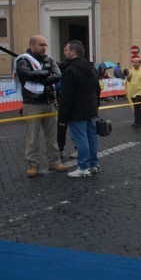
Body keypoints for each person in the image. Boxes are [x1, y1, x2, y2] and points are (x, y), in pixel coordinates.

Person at [15, 35, 68, 177]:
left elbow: (57, 75)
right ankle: (33, 164)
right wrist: (45, 73)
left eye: (45, 45)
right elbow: (27, 75)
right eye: (41, 45)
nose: (44, 47)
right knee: (32, 136)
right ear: (32, 45)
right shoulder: (23, 60)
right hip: (32, 103)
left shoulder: (49, 59)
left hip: (49, 101)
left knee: (52, 135)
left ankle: (54, 161)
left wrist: (42, 80)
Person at [58, 40, 101, 178]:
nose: (64, 52)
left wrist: (63, 116)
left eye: (66, 50)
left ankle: (83, 167)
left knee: (81, 139)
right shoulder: (92, 68)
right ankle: (94, 165)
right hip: (91, 109)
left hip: (77, 111)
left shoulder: (71, 70)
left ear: (73, 52)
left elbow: (66, 95)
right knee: (91, 137)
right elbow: (97, 89)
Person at [126, 57, 141, 128]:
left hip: (140, 91)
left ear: (139, 63)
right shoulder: (131, 71)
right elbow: (129, 81)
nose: (135, 64)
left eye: (136, 62)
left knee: (137, 106)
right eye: (133, 62)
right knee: (137, 107)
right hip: (133, 91)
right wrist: (128, 77)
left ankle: (137, 122)